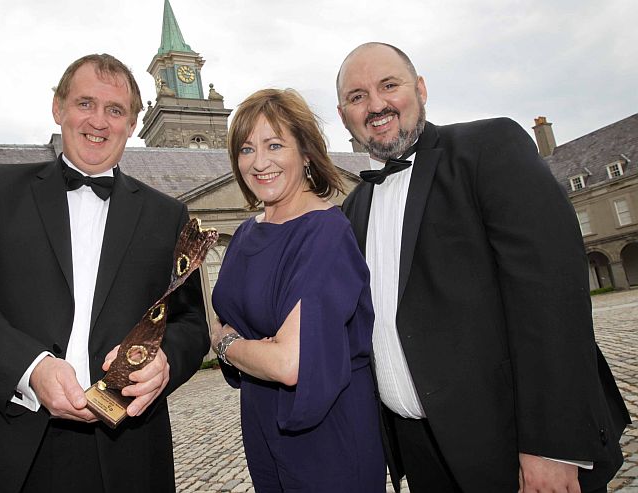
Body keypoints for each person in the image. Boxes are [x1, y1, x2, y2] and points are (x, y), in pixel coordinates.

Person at [336, 42, 630, 492]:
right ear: (343, 115)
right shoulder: (354, 207)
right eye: (357, 96)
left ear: (420, 88)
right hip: (423, 456)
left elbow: (552, 296)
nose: (375, 105)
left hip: (516, 448)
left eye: (388, 85)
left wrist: (552, 446)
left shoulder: (488, 147)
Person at [0, 53, 209, 493]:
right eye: (85, 103)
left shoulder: (168, 215)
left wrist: (165, 364)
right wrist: (29, 369)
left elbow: (190, 323)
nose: (99, 121)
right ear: (58, 108)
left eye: (116, 110)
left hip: (122, 453)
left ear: (132, 123)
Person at [209, 88, 386, 492]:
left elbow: (289, 364)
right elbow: (220, 318)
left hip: (326, 432)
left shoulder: (325, 232)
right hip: (261, 421)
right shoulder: (244, 235)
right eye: (247, 149)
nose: (260, 162)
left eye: (275, 145)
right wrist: (248, 347)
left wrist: (225, 344)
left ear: (306, 153)